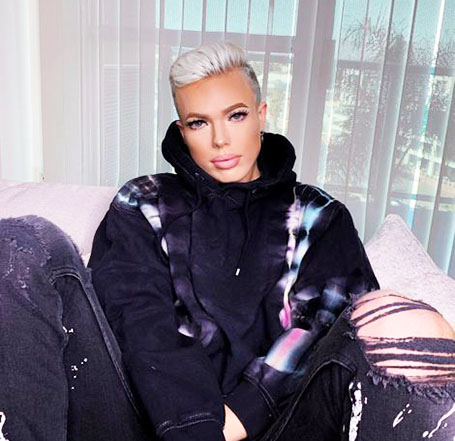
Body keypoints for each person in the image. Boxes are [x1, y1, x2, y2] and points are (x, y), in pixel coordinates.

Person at [0, 41, 454, 441]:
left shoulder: (319, 216)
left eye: (236, 115)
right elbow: (139, 319)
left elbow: (320, 328)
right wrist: (196, 428)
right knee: (21, 241)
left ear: (261, 115)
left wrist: (238, 415)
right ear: (182, 130)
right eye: (199, 123)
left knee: (402, 318)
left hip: (279, 426)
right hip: (143, 420)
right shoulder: (145, 202)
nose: (220, 140)